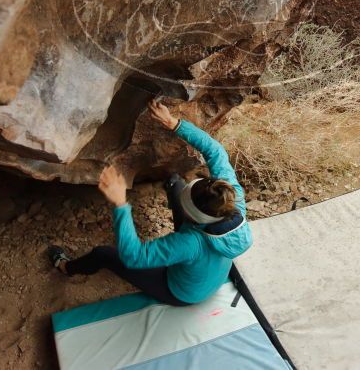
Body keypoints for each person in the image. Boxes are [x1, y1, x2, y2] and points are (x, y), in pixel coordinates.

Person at [47, 99, 252, 306]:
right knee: (174, 183)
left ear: (193, 216)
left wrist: (120, 204)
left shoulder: (188, 244)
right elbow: (215, 151)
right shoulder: (233, 200)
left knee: (103, 254)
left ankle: (66, 267)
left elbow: (134, 257)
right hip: (208, 267)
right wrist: (173, 123)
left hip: (183, 291)